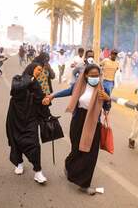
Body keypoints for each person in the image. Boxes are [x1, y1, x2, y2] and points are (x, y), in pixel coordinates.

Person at [44, 64, 110, 195]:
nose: (95, 78)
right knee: (76, 149)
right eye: (92, 76)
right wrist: (52, 96)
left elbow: (107, 107)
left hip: (93, 122)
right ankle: (69, 165)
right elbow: (68, 92)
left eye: (97, 76)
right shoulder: (79, 86)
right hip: (78, 120)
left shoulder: (104, 89)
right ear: (85, 75)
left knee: (91, 154)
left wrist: (107, 100)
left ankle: (84, 184)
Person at [6, 62, 49, 184]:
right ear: (31, 68)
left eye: (41, 71)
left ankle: (38, 171)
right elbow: (15, 89)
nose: (39, 72)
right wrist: (31, 79)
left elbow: (42, 99)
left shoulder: (39, 84)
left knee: (34, 143)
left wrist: (46, 104)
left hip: (31, 118)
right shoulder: (18, 79)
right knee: (16, 140)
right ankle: (19, 163)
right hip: (15, 116)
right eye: (38, 69)